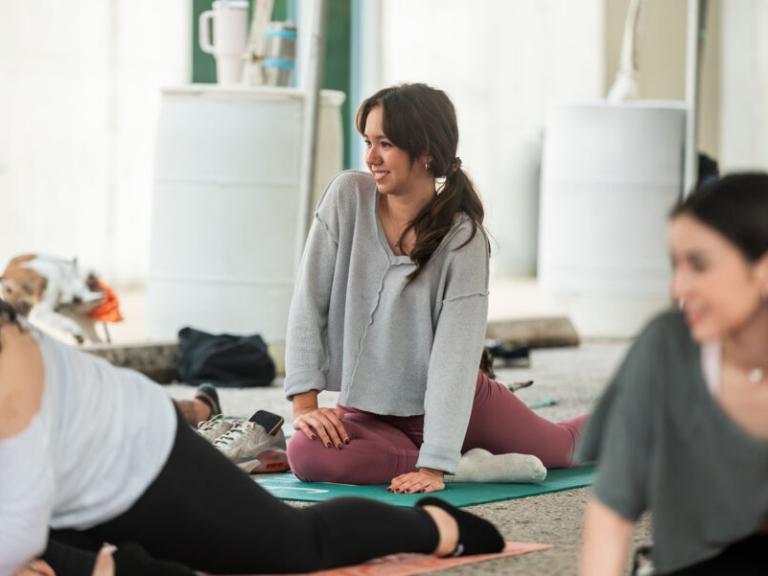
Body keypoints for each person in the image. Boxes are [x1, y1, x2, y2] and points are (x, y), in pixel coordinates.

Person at [0, 299, 505, 576]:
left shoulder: (8, 362)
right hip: (56, 501)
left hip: (137, 456)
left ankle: (437, 527)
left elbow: (17, 531)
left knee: (292, 548)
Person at [285, 83, 587, 494]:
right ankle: (471, 467)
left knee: (564, 448)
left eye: (385, 144)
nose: (370, 157)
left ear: (425, 152)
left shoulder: (462, 239)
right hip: (366, 410)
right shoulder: (346, 198)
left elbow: (455, 358)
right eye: (368, 142)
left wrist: (435, 462)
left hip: (455, 408)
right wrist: (305, 404)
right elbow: (309, 301)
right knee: (306, 452)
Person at [578, 172, 768, 575]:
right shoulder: (665, 347)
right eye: (675, 264)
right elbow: (612, 511)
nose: (679, 287)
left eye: (699, 265)